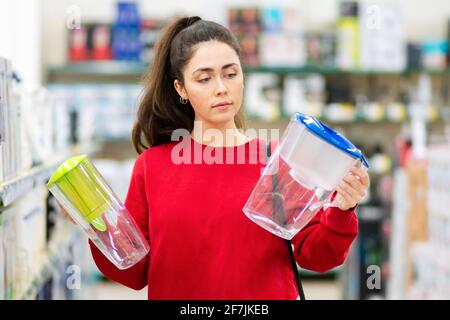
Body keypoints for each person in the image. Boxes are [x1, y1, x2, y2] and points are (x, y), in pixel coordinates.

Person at [60, 16, 369, 300]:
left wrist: (342, 208)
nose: (221, 88)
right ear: (181, 88)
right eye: (204, 78)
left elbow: (316, 256)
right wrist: (95, 226)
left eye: (230, 74)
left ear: (243, 76)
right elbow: (134, 271)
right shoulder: (152, 167)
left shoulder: (275, 159)